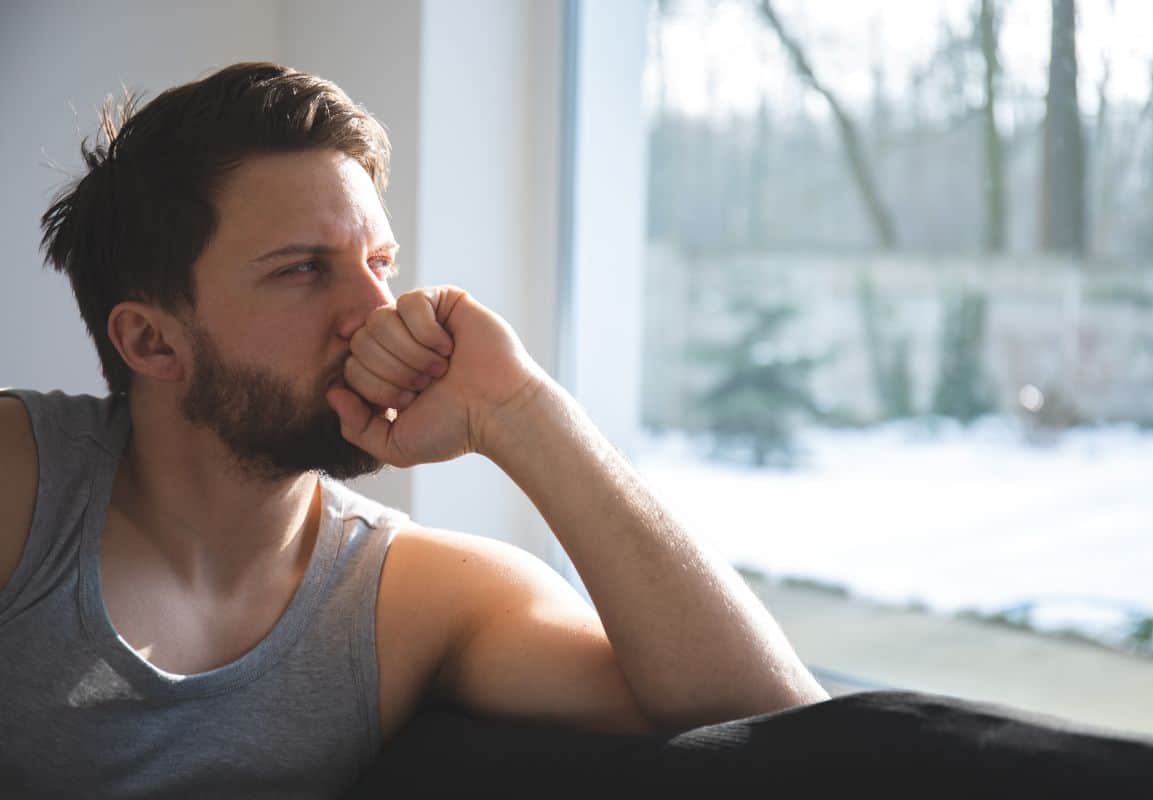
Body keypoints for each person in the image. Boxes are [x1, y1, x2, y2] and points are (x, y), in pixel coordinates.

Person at [0, 62, 827, 797]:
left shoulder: (408, 597)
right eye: (302, 269)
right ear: (151, 341)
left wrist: (521, 410)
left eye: (381, 263)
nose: (376, 312)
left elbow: (791, 732)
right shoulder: (21, 485)